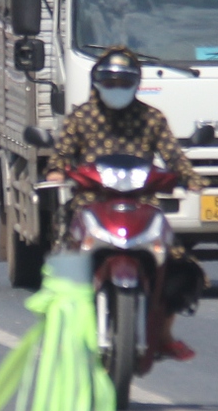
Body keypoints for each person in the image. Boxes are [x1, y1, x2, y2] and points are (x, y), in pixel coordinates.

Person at [48, 48, 206, 366]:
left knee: (180, 266)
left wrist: (191, 178)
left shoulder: (151, 118)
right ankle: (62, 329)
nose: (117, 88)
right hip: (91, 201)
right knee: (64, 256)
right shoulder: (80, 118)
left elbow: (173, 155)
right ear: (97, 83)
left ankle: (163, 333)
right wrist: (56, 172)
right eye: (110, 82)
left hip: (141, 203)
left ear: (136, 84)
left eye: (124, 82)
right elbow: (61, 154)